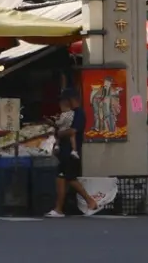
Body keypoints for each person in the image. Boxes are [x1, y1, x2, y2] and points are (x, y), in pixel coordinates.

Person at [45, 90, 99, 218]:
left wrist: (59, 133)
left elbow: (73, 131)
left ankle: (91, 202)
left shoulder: (79, 114)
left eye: (64, 100)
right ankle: (58, 209)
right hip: (64, 150)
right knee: (60, 178)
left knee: (70, 178)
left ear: (70, 100)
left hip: (72, 152)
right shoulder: (69, 113)